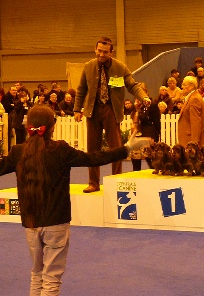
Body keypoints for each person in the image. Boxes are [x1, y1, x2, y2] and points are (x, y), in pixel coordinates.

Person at [0, 105, 151, 296]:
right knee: (51, 278)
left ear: (28, 125)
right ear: (52, 126)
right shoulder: (61, 150)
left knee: (37, 274)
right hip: (56, 223)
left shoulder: (17, 152)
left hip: (30, 224)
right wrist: (126, 148)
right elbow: (94, 158)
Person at [73, 37, 149, 193]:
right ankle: (93, 183)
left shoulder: (120, 68)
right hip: (92, 111)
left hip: (111, 110)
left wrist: (144, 97)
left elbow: (133, 86)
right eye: (99, 51)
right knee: (92, 149)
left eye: (105, 52)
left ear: (111, 52)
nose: (101, 54)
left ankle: (116, 181)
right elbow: (81, 89)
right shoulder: (88, 67)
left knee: (116, 147)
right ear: (95, 49)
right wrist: (77, 109)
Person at [177, 76, 204, 148]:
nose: (182, 86)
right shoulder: (193, 97)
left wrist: (194, 143)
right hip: (189, 139)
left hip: (190, 140)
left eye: (184, 84)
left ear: (191, 86)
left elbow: (196, 122)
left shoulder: (194, 99)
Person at [130, 97, 160, 171]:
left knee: (151, 162)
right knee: (136, 163)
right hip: (135, 135)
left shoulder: (151, 105)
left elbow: (156, 122)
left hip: (147, 135)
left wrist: (156, 135)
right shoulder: (135, 107)